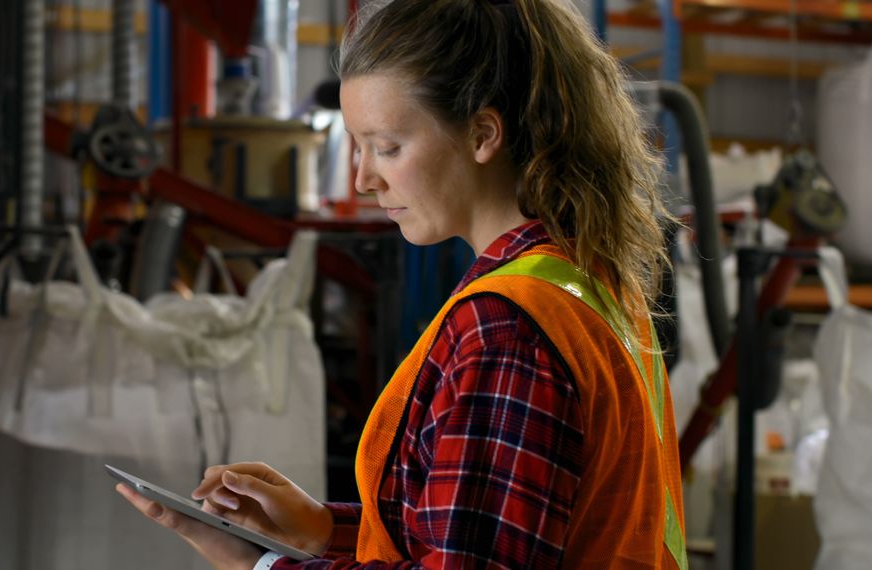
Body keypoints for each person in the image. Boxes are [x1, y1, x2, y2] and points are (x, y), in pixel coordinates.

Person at [116, 0, 688, 567]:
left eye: (388, 147)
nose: (364, 178)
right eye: (359, 147)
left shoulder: (507, 328)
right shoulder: (584, 283)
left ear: (484, 134)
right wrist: (324, 530)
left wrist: (260, 565)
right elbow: (485, 538)